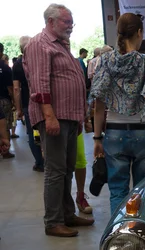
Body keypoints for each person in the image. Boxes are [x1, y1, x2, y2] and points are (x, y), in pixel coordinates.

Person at [23, 3, 94, 237]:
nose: (71, 25)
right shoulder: (39, 44)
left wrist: (79, 116)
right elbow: (40, 84)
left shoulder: (61, 45)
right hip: (54, 117)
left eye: (71, 21)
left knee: (66, 169)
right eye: (66, 21)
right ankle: (53, 222)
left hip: (68, 118)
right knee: (55, 170)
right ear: (51, 22)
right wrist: (49, 116)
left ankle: (66, 214)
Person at [90, 13, 145, 214]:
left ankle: (118, 234)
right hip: (143, 131)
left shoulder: (104, 62)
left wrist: (97, 138)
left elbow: (98, 105)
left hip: (114, 133)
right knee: (141, 190)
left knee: (117, 191)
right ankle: (138, 234)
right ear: (139, 32)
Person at [13, 36, 43, 170]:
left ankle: (40, 162)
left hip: (27, 103)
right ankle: (50, 159)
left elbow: (16, 88)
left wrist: (18, 108)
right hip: (44, 101)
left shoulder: (18, 64)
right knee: (45, 131)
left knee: (33, 133)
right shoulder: (39, 60)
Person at [0, 43, 17, 141]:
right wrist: (14, 101)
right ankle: (5, 150)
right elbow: (10, 88)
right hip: (4, 100)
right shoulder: (5, 68)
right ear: (1, 52)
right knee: (5, 125)